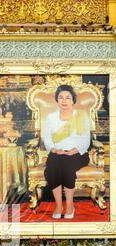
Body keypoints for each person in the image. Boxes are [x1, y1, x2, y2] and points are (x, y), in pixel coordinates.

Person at [43, 84, 91, 219]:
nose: (64, 101)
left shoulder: (81, 116)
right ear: (57, 101)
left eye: (68, 98)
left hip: (77, 153)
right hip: (57, 152)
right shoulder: (51, 117)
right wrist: (53, 148)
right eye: (61, 98)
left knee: (67, 167)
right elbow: (47, 137)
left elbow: (86, 139)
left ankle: (70, 206)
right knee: (51, 169)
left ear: (73, 101)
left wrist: (74, 150)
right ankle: (58, 206)